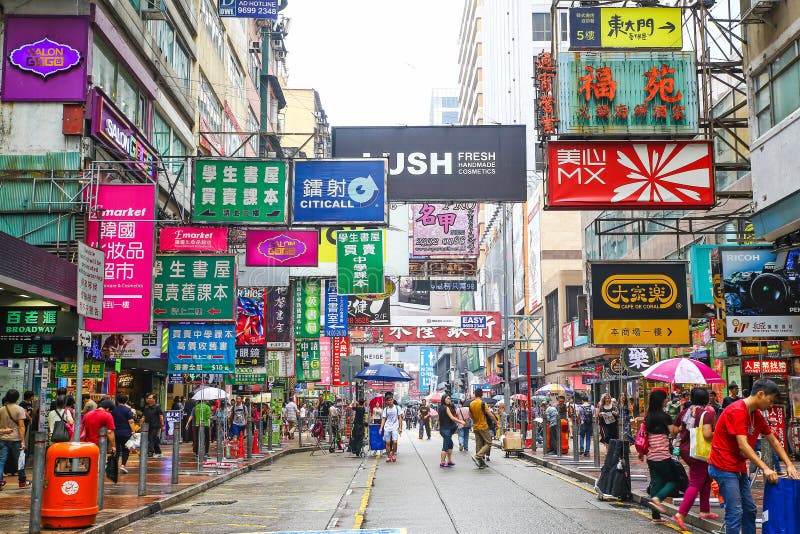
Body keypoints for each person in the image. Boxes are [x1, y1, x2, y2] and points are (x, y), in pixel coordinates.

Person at [708, 379, 799, 534]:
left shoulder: (756, 415)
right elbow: (743, 444)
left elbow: (773, 441)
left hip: (738, 466)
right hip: (723, 466)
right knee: (735, 511)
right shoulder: (737, 410)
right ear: (760, 394)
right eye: (770, 401)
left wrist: (789, 464)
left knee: (749, 510)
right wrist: (765, 468)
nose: (771, 405)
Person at [671, 387, 717, 530]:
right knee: (696, 481)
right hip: (699, 452)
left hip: (686, 450)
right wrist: (720, 434)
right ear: (706, 399)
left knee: (706, 479)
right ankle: (681, 514)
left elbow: (673, 429)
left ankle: (705, 510)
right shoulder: (706, 414)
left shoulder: (684, 412)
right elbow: (707, 434)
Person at [640, 390, 680, 524]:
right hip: (663, 455)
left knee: (656, 483)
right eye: (665, 398)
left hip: (651, 456)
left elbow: (644, 435)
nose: (666, 400)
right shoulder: (665, 416)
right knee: (674, 481)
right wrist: (678, 424)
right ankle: (658, 498)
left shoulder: (648, 416)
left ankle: (656, 518)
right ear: (661, 401)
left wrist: (641, 453)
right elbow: (673, 433)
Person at [0, 390, 30, 489]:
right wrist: (23, 441)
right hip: (16, 439)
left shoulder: (2, 409)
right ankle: (22, 482)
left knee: (1, 461)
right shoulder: (20, 409)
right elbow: (21, 426)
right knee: (20, 460)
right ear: (17, 398)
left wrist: (3, 431)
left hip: (3, 439)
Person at [468, 388, 496, 468]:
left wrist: (475, 420)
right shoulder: (483, 403)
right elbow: (490, 415)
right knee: (489, 442)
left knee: (479, 444)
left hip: (476, 426)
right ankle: (478, 456)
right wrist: (496, 422)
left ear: (475, 394)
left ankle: (480, 462)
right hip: (483, 426)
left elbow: (470, 415)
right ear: (482, 394)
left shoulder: (471, 404)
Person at [437, 394, 464, 468]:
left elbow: (438, 419)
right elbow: (452, 417)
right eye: (448, 398)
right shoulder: (446, 408)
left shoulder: (440, 408)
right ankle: (442, 462)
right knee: (445, 446)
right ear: (444, 399)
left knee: (450, 444)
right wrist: (461, 421)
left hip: (443, 429)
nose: (449, 400)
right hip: (446, 430)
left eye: (449, 399)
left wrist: (439, 427)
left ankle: (449, 461)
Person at [112, 394, 135, 474]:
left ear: (117, 400)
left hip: (115, 432)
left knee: (116, 449)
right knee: (126, 449)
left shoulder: (113, 410)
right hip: (125, 432)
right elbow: (131, 421)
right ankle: (123, 465)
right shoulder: (127, 410)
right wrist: (133, 431)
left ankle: (114, 466)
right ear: (126, 401)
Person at [380, 394, 402, 463]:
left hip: (395, 427)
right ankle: (388, 456)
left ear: (393, 400)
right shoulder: (385, 409)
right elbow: (383, 419)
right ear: (386, 402)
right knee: (388, 443)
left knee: (395, 442)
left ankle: (393, 454)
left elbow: (400, 418)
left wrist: (400, 427)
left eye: (391, 400)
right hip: (387, 427)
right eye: (388, 400)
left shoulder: (397, 408)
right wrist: (381, 428)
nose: (390, 401)